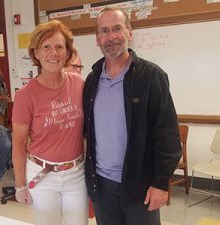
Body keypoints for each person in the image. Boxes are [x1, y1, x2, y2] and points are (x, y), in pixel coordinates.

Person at [83, 7, 182, 225]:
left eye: (117, 28)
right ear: (97, 39)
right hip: (102, 187)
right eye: (104, 31)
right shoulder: (91, 81)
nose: (111, 37)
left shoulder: (151, 76)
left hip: (141, 186)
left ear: (130, 32)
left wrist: (161, 182)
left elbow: (168, 136)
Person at [12, 19, 88, 225]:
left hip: (76, 174)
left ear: (67, 53)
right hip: (42, 175)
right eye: (46, 47)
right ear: (36, 53)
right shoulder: (25, 95)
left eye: (59, 47)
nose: (53, 53)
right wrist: (20, 186)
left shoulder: (79, 84)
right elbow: (19, 143)